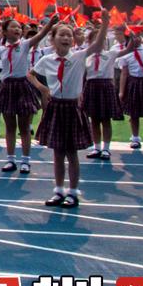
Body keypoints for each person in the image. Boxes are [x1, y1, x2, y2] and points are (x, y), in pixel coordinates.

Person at [31, 17, 108, 208]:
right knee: (57, 152)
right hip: (55, 107)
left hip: (72, 108)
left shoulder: (78, 57)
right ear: (53, 39)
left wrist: (105, 23)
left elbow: (98, 45)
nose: (66, 38)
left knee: (72, 153)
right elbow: (30, 74)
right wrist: (42, 88)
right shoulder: (47, 60)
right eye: (62, 35)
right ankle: (58, 190)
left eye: (69, 35)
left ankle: (73, 192)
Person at [0, 15, 56, 174]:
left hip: (22, 86)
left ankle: (25, 161)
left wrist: (51, 23)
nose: (17, 29)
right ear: (4, 31)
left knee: (24, 127)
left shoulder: (25, 45)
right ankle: (10, 159)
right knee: (10, 126)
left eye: (19, 27)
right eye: (13, 27)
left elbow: (40, 35)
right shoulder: (0, 50)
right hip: (7, 87)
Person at [83, 25, 136, 160]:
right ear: (90, 42)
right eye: (95, 39)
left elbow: (128, 49)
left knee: (106, 120)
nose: (99, 42)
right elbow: (82, 75)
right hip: (91, 87)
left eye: (102, 39)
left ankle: (106, 149)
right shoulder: (86, 56)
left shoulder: (110, 54)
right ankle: (96, 147)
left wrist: (131, 37)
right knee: (94, 120)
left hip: (105, 86)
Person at [118, 30, 143, 149]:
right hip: (134, 83)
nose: (136, 39)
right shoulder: (126, 54)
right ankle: (135, 138)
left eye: (138, 36)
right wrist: (121, 91)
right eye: (133, 37)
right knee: (134, 113)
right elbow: (124, 74)